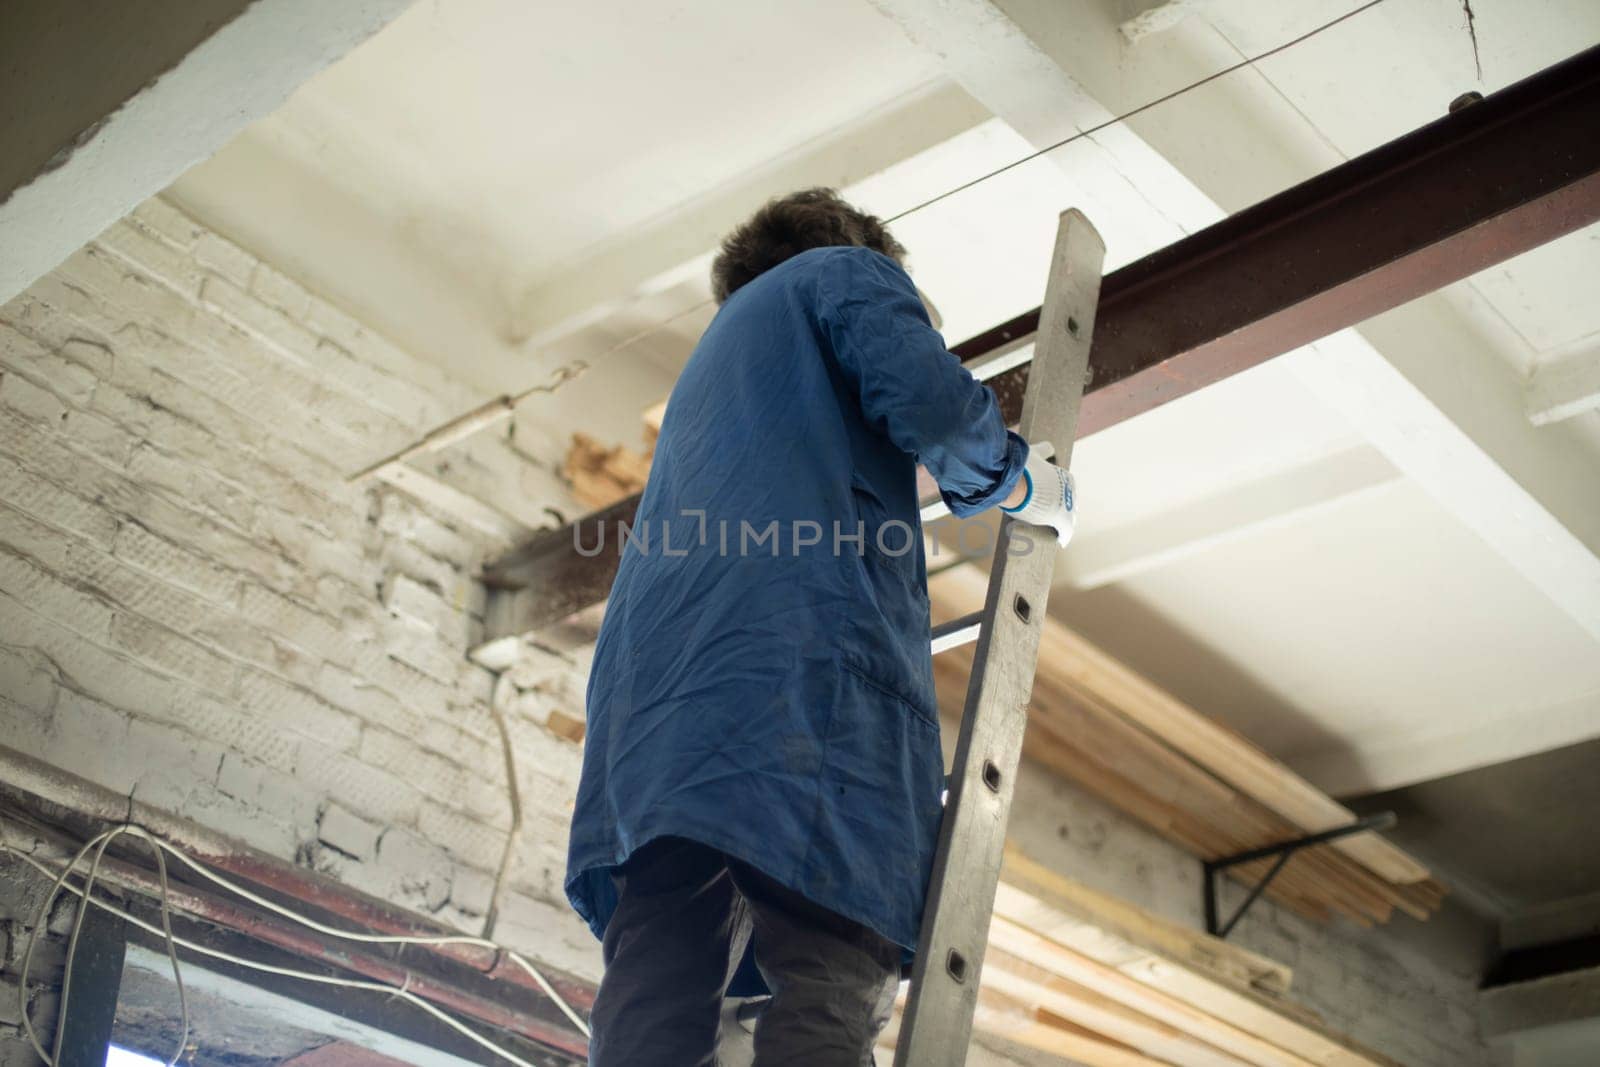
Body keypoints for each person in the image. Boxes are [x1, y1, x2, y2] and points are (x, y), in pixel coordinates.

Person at [565, 188, 1076, 1065]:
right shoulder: (840, 274)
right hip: (794, 686)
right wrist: (1026, 485)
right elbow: (940, 411)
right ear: (857, 247)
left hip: (651, 734)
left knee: (658, 974)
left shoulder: (708, 379)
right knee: (835, 955)